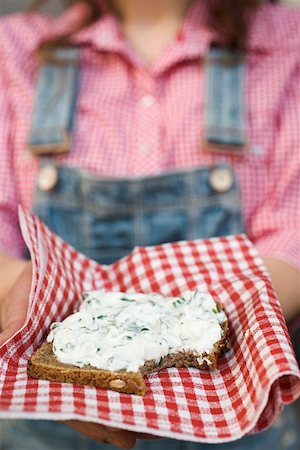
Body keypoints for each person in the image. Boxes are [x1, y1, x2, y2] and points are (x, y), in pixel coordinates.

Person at [0, 0, 299, 449]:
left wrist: (202, 321)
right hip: (42, 427)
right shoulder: (15, 48)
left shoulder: (286, 40)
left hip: (234, 409)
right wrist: (22, 288)